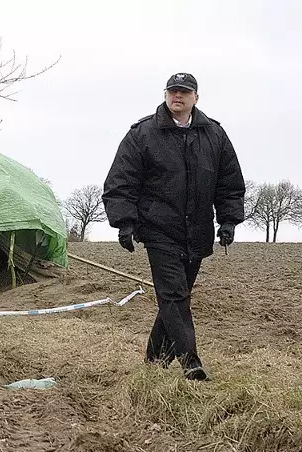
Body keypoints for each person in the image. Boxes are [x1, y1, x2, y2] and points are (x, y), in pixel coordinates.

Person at [102, 73, 245, 381]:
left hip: (197, 232)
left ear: (196, 97)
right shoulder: (142, 133)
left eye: (184, 91)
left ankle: (154, 361)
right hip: (158, 229)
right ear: (165, 94)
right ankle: (191, 362)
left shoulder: (214, 135)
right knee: (174, 296)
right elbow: (120, 182)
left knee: (177, 296)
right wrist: (125, 223)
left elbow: (229, 183)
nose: (177, 96)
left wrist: (229, 220)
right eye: (172, 91)